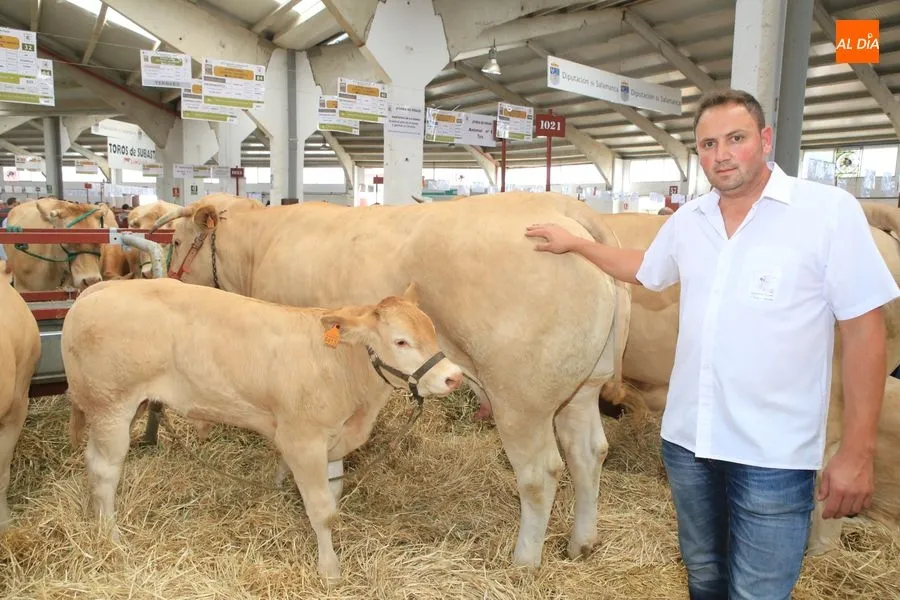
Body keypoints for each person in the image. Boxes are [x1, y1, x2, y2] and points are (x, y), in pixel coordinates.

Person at [524, 88, 899, 600]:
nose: (720, 154)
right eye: (707, 145)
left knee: (758, 592)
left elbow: (864, 330)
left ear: (765, 140)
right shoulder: (691, 219)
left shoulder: (826, 212)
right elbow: (646, 269)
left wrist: (856, 450)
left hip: (775, 455)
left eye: (735, 138)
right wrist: (580, 245)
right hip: (689, 445)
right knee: (704, 577)